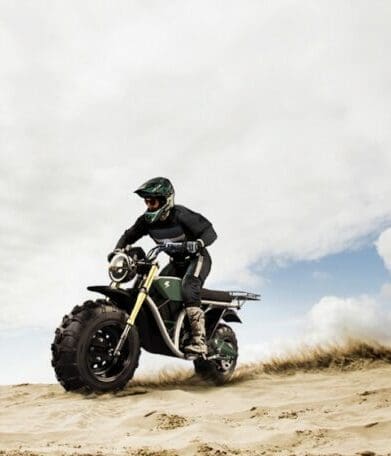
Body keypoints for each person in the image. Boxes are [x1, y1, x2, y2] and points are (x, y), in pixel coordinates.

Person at [109, 177, 217, 356]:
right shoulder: (146, 221)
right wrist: (117, 251)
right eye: (146, 201)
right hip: (176, 262)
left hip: (196, 258)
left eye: (152, 201)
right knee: (154, 289)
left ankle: (199, 340)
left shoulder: (182, 215)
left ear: (166, 200)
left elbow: (210, 232)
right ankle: (171, 328)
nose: (149, 206)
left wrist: (198, 243)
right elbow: (128, 236)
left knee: (189, 288)